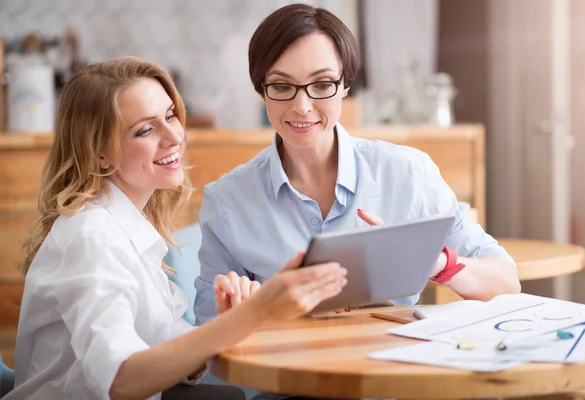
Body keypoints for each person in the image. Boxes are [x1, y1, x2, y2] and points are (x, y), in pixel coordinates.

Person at [6, 57, 348, 400]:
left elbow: (170, 341)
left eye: (170, 116)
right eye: (145, 129)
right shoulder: (91, 237)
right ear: (100, 155)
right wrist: (250, 316)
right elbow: (120, 381)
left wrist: (231, 322)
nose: (174, 137)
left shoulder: (129, 227)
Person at [194, 2, 521, 328]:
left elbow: (505, 282)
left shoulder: (408, 174)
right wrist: (244, 316)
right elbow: (206, 337)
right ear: (261, 90)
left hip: (389, 370)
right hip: (283, 377)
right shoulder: (228, 201)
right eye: (281, 87)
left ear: (345, 85)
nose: (302, 106)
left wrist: (432, 262)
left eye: (322, 85)